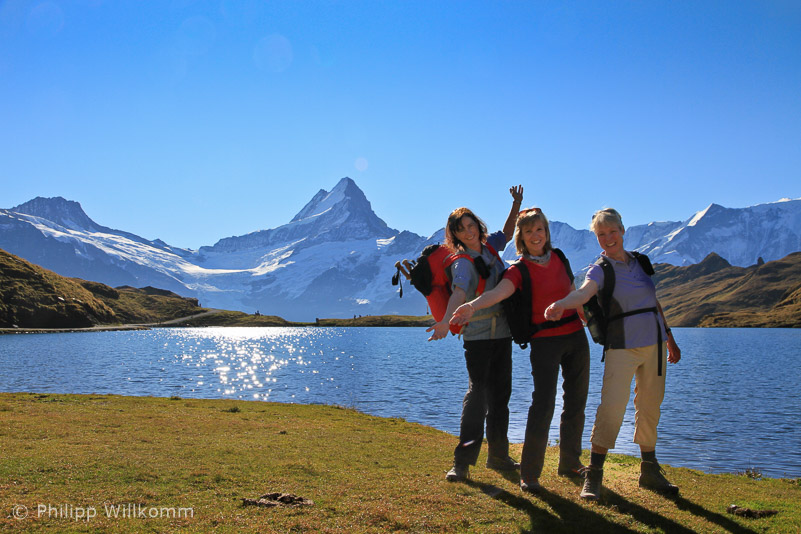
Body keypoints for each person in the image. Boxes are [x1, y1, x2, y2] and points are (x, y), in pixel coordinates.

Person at [544, 208, 682, 501]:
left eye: (612, 231)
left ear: (622, 230)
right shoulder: (600, 268)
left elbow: (653, 302)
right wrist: (562, 304)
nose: (608, 238)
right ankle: (593, 475)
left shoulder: (641, 262)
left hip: (655, 344)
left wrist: (669, 338)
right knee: (611, 408)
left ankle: (650, 470)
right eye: (601, 234)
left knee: (650, 406)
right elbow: (583, 294)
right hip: (622, 346)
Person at [451, 207, 590, 493]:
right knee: (543, 405)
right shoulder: (517, 270)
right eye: (528, 231)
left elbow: (573, 289)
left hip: (576, 337)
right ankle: (528, 474)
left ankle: (570, 462)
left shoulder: (561, 257)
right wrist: (471, 306)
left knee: (576, 403)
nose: (535, 235)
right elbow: (498, 293)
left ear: (547, 232)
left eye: (539, 229)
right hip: (544, 342)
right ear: (521, 238)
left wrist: (584, 315)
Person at [427, 185, 523, 482]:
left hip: (503, 334)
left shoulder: (490, 245)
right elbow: (458, 293)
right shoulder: (462, 264)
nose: (468, 232)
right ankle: (462, 462)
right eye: (461, 229)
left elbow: (507, 232)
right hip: (478, 337)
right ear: (453, 235)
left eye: (471, 226)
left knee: (500, 396)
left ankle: (498, 456)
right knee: (478, 397)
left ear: (478, 226)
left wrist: (516, 204)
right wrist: (445, 321)